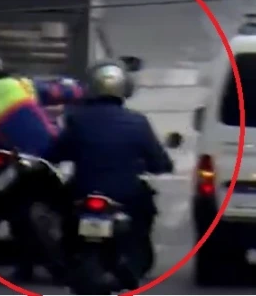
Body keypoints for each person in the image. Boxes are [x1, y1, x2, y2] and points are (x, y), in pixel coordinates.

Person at [47, 60, 175, 280]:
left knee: (63, 211)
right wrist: (161, 166)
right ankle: (132, 260)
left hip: (83, 189)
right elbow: (158, 160)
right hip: (126, 194)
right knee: (144, 215)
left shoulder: (77, 119)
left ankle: (67, 256)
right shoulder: (138, 121)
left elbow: (57, 153)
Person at [0, 54, 85, 283]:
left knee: (15, 210)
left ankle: (24, 267)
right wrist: (84, 91)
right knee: (71, 200)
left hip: (20, 161)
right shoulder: (22, 85)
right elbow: (64, 93)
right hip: (52, 154)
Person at [0, 54, 85, 158]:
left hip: (17, 158)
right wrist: (83, 91)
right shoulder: (21, 84)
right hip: (50, 149)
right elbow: (60, 93)